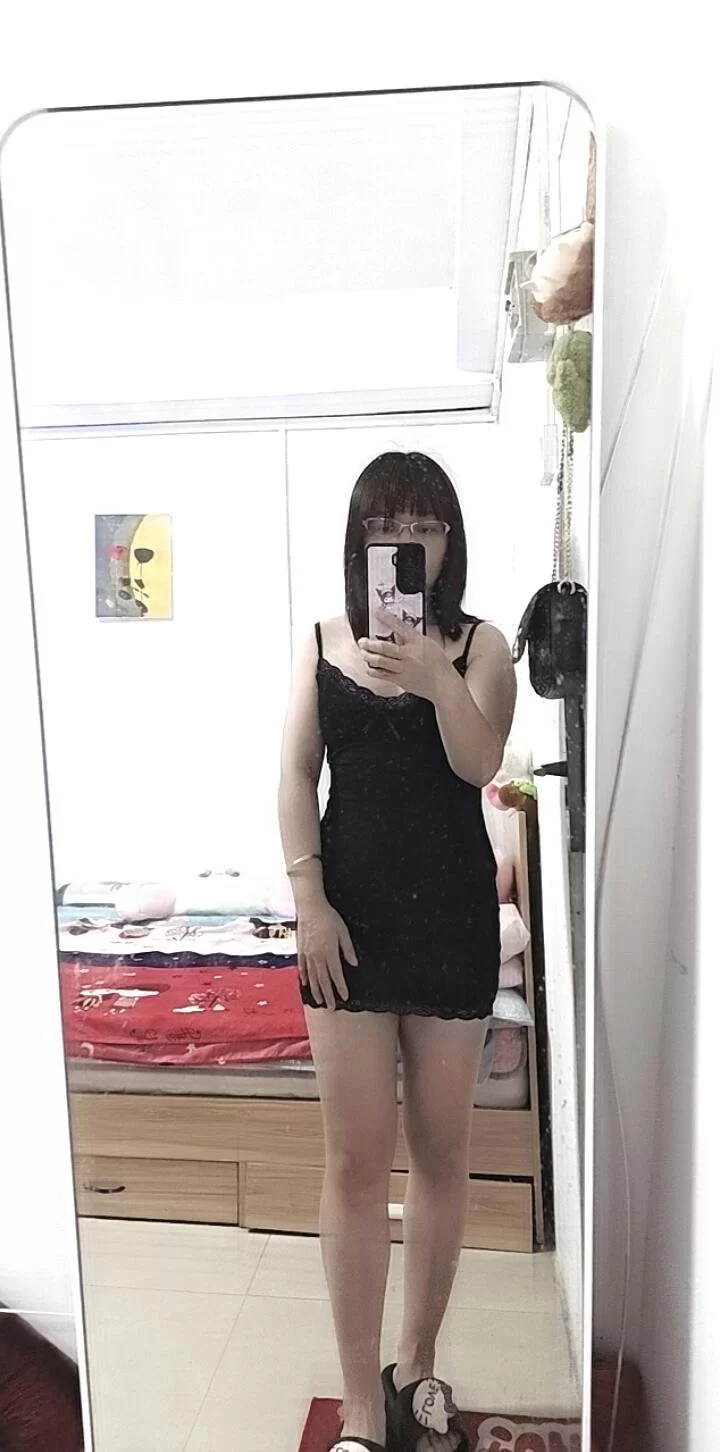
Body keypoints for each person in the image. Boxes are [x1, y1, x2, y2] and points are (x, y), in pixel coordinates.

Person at [278, 451, 517, 1452]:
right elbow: (295, 776)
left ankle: (416, 1366)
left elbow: (479, 763)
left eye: (425, 526)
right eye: (390, 527)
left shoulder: (484, 645)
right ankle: (362, 1408)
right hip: (349, 926)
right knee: (351, 1161)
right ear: (361, 541)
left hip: (452, 919)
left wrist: (433, 674)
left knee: (443, 1153)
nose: (408, 541)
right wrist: (308, 901)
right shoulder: (322, 641)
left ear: (448, 541)